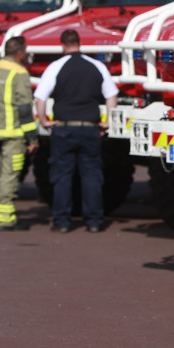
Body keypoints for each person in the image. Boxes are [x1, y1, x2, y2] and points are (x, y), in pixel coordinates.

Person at [34, 29, 118, 233]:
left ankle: (62, 221)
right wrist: (108, 121)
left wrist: (44, 121)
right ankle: (94, 221)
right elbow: (111, 96)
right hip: (90, 129)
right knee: (92, 176)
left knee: (62, 176)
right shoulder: (97, 66)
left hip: (64, 129)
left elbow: (40, 98)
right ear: (79, 44)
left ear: (63, 45)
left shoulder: (56, 66)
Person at [0, 36, 39, 231]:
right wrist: (32, 138)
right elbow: (24, 109)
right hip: (13, 134)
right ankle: (5, 218)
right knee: (9, 175)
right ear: (20, 52)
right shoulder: (19, 72)